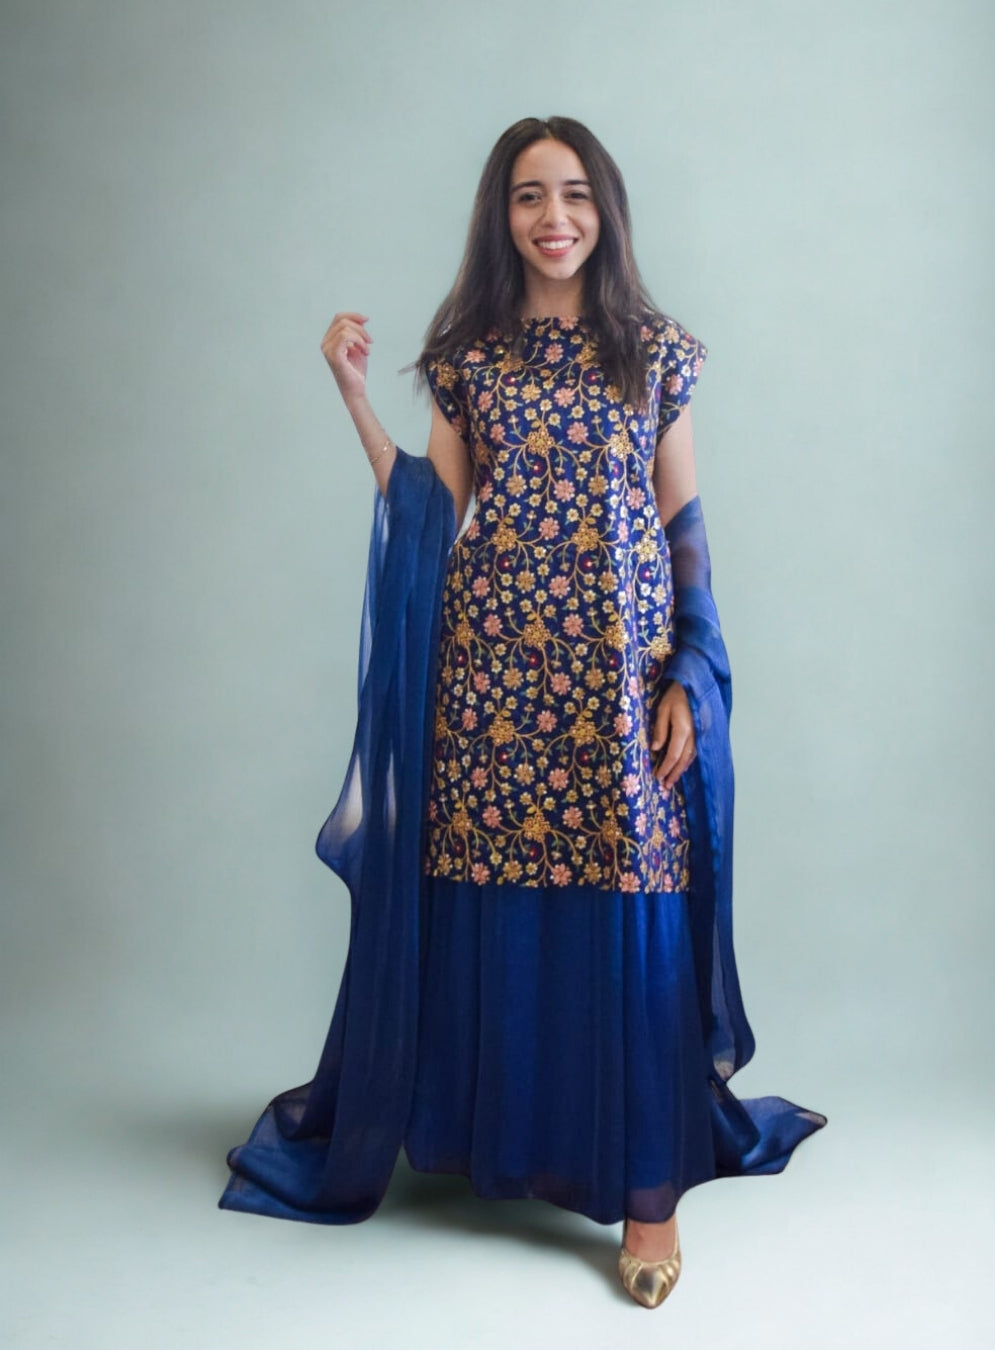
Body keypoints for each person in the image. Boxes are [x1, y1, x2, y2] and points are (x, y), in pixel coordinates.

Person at [219, 115, 827, 1310]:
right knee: (500, 899)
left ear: (606, 210)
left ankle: (646, 1201)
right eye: (529, 197)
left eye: (576, 194)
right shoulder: (471, 357)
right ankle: (519, 1143)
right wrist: (352, 394)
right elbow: (428, 517)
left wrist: (688, 673)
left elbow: (686, 529)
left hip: (619, 684)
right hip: (492, 681)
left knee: (636, 920)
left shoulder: (654, 351)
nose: (554, 218)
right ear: (501, 217)